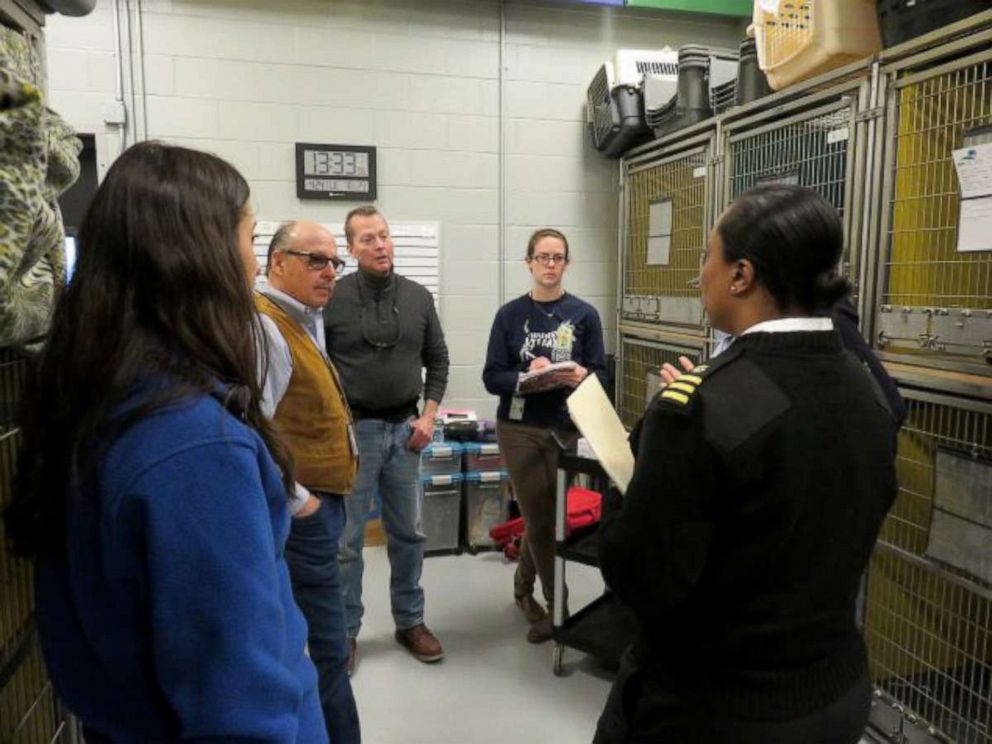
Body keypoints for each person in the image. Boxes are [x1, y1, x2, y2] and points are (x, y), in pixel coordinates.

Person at [2, 141, 327, 743]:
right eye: (249, 241)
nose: (253, 267)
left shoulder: (98, 395)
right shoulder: (196, 449)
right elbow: (239, 708)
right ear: (198, 257)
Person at [595, 184, 899, 744]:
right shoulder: (868, 388)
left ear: (741, 275)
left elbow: (641, 577)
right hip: (834, 693)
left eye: (706, 258)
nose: (700, 275)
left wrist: (632, 477)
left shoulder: (697, 408)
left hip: (711, 708)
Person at [324, 205, 449, 671]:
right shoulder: (331, 299)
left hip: (406, 431)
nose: (379, 245)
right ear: (351, 248)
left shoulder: (418, 297)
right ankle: (344, 632)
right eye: (367, 239)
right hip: (354, 435)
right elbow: (317, 369)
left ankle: (410, 621)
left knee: (409, 534)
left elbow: (438, 361)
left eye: (384, 235)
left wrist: (429, 416)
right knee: (346, 541)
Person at [253, 220, 361, 743]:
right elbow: (251, 430)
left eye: (334, 263)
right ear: (277, 261)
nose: (329, 272)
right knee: (324, 653)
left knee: (323, 647)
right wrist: (301, 503)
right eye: (314, 260)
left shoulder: (300, 318)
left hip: (318, 506)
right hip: (302, 515)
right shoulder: (266, 326)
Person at [482, 228, 607, 643]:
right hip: (519, 427)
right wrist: (526, 377)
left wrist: (580, 373)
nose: (550, 264)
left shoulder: (585, 315)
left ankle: (521, 590)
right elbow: (491, 376)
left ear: (567, 264)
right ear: (529, 263)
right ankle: (559, 610)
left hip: (565, 428)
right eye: (542, 257)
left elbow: (602, 375)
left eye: (558, 257)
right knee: (539, 518)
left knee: (547, 520)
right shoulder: (509, 315)